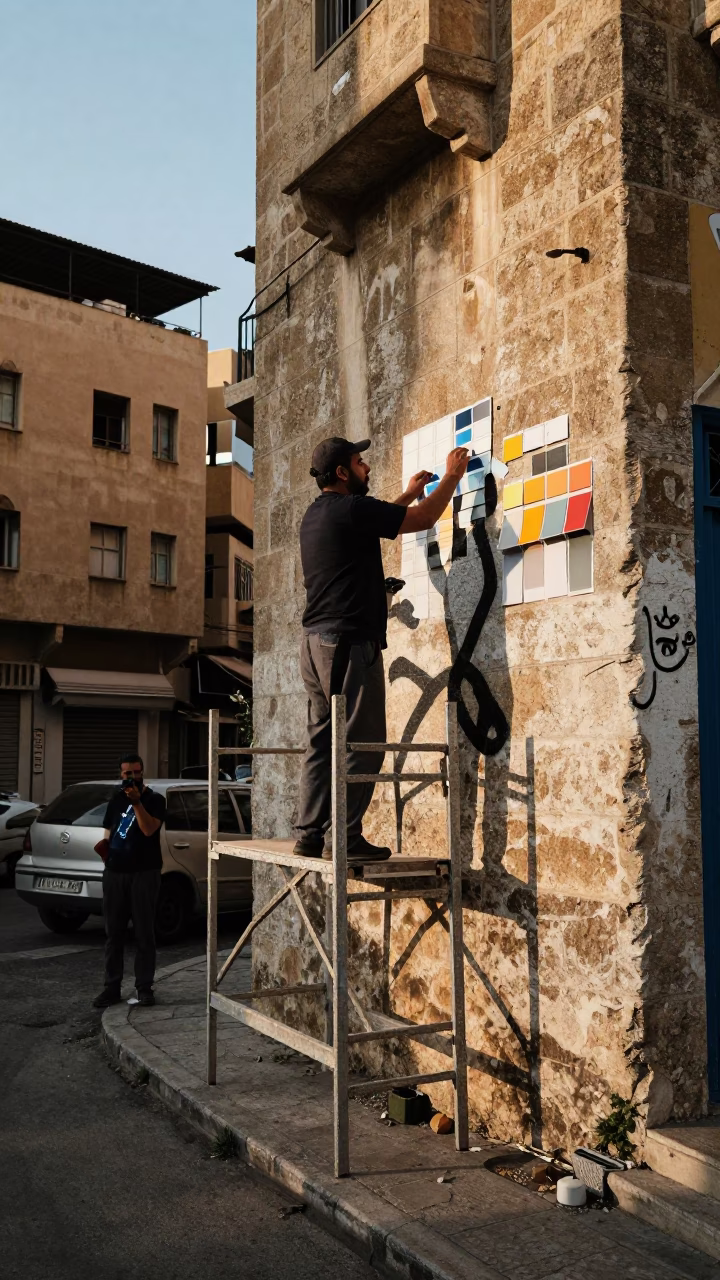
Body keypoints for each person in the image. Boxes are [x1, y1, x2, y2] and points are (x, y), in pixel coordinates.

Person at [294, 435, 469, 863]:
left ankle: (309, 834)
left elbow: (377, 519)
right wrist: (452, 475)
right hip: (349, 644)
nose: (367, 468)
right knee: (364, 740)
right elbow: (426, 518)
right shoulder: (351, 510)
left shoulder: (317, 515)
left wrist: (407, 493)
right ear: (342, 472)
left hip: (314, 644)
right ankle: (345, 837)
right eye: (360, 462)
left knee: (322, 742)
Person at [92, 753, 167, 1009]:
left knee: (144, 933)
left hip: (144, 873)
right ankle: (111, 988)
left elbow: (148, 829)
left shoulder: (155, 800)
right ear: (120, 774)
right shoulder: (115, 799)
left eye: (135, 772)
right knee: (114, 934)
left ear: (142, 772)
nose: (131, 777)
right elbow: (109, 830)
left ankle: (144, 988)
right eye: (126, 773)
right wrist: (106, 853)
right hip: (115, 873)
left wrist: (136, 803)